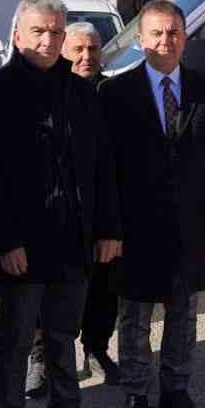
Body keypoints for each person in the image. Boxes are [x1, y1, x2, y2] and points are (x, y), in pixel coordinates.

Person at [0, 0, 118, 408]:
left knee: (62, 335)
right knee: (15, 342)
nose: (48, 40)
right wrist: (3, 241)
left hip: (73, 240)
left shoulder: (81, 93)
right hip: (20, 246)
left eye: (56, 32)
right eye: (38, 31)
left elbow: (102, 166)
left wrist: (108, 229)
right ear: (17, 35)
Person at [100, 0, 205, 408]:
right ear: (140, 39)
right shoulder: (115, 93)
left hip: (191, 225)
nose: (166, 41)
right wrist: (109, 228)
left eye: (174, 33)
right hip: (136, 225)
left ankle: (176, 387)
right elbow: (105, 168)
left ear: (185, 36)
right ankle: (135, 392)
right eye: (157, 33)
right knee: (135, 314)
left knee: (184, 311)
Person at [62, 21, 121, 382]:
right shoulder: (53, 91)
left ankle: (96, 348)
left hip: (104, 207)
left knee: (103, 288)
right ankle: (42, 358)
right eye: (78, 49)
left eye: (93, 49)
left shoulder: (113, 93)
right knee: (55, 291)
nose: (86, 56)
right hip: (62, 211)